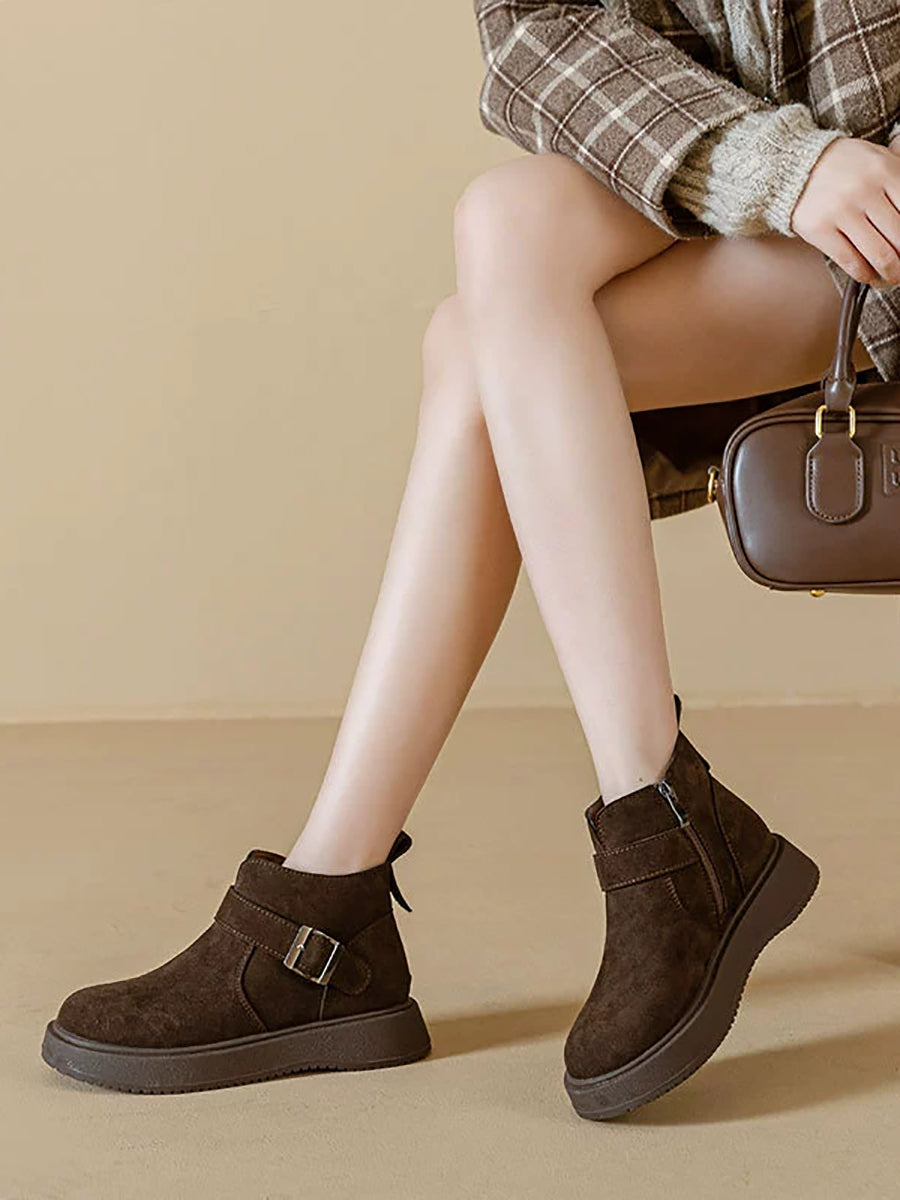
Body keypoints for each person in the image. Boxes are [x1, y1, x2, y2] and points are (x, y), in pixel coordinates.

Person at [40, 0, 900, 1117]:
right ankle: (648, 817)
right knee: (502, 225)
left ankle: (333, 915)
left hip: (883, 222)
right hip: (735, 169)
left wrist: (827, 173)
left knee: (475, 349)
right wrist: (776, 165)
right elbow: (534, 36)